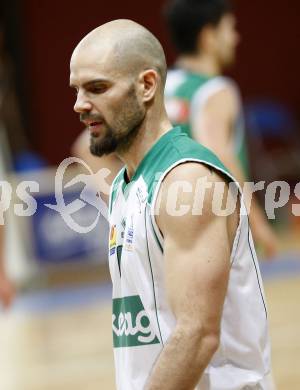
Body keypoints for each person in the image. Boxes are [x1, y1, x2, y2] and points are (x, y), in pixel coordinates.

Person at [70, 19, 273, 389]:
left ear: (147, 85)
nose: (80, 105)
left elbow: (197, 336)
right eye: (77, 90)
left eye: (97, 88)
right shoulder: (123, 186)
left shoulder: (187, 181)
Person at [164, 0, 278, 258]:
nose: (236, 38)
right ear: (208, 37)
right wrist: (258, 224)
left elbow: (87, 148)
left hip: (167, 232)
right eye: (230, 29)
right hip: (216, 232)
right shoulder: (217, 91)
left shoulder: (159, 87)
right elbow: (218, 154)